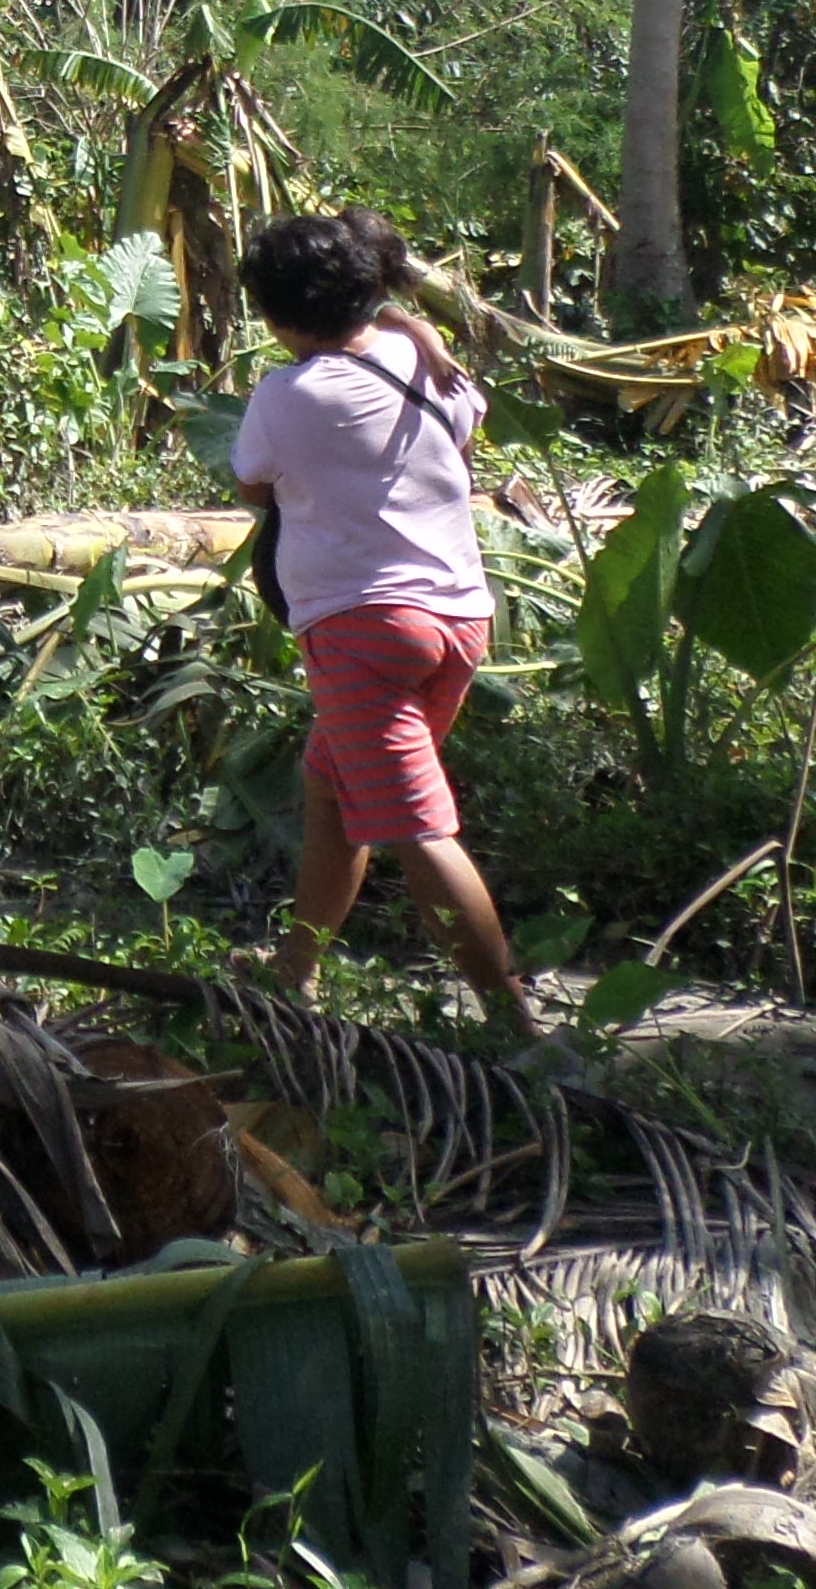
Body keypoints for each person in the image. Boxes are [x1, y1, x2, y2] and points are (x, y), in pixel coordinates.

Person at [227, 210, 537, 1034]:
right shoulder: (419, 357)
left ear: (277, 314)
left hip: (362, 631)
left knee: (416, 828)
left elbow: (253, 484)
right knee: (331, 785)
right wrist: (409, 324)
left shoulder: (285, 395)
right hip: (459, 618)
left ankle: (518, 1027)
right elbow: (466, 425)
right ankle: (295, 970)